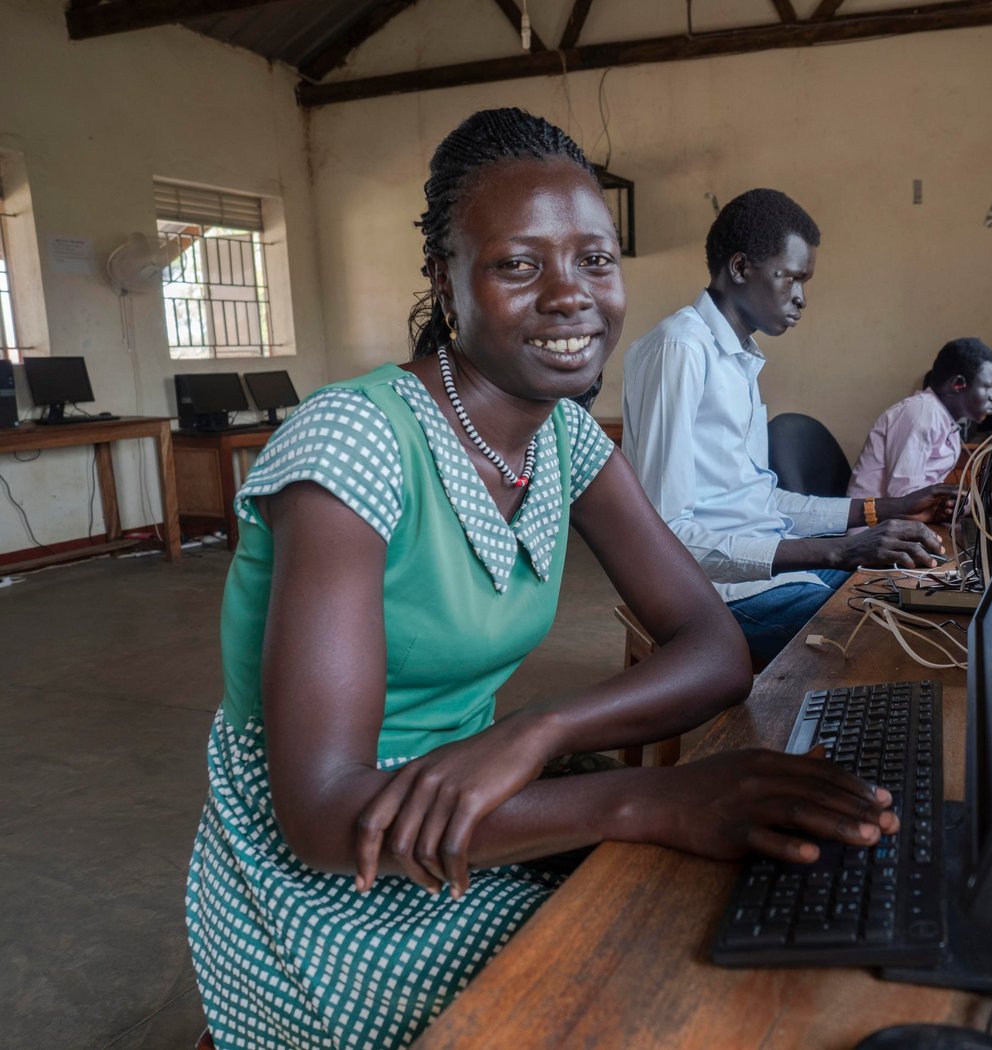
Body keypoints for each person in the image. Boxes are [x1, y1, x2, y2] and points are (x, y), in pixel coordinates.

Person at [185, 111, 898, 1050]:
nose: (574, 298)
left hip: (467, 800)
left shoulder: (562, 436)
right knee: (634, 982)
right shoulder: (352, 443)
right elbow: (322, 815)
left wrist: (539, 729)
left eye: (596, 261)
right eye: (519, 265)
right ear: (445, 281)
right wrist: (645, 797)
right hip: (314, 886)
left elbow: (713, 648)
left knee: (741, 916)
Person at [622, 188, 952, 666]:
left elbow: (764, 500)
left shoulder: (739, 359)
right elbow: (666, 536)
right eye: (791, 278)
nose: (801, 298)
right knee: (900, 643)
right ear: (740, 268)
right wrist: (835, 552)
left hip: (767, 578)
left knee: (925, 588)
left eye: (806, 282)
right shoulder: (681, 349)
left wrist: (886, 509)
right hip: (714, 597)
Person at [846, 337, 992, 499]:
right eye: (987, 387)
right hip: (875, 522)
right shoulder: (922, 412)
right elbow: (906, 496)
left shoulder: (945, 422)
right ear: (958, 384)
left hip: (902, 519)